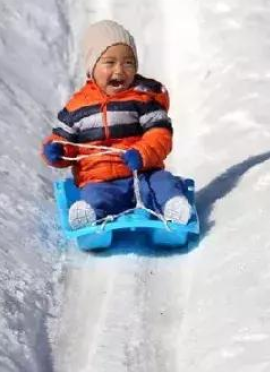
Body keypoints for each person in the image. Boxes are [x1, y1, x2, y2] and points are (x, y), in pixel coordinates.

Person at [41, 20, 192, 229]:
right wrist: (57, 150)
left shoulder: (143, 100)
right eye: (110, 63)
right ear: (92, 67)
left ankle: (173, 207)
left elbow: (160, 134)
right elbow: (64, 140)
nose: (120, 70)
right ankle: (88, 214)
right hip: (100, 181)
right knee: (95, 196)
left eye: (128, 63)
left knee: (162, 183)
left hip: (142, 174)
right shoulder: (77, 108)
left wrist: (143, 153)